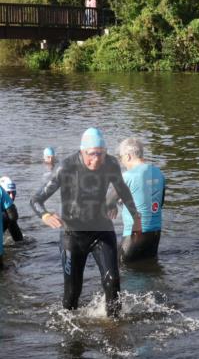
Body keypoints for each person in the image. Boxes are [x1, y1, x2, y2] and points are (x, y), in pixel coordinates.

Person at [30, 128, 142, 317]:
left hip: (101, 231)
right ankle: (70, 330)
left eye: (101, 154)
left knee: (113, 281)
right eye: (92, 154)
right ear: (82, 151)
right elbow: (36, 199)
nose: (97, 159)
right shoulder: (65, 167)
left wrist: (136, 217)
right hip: (72, 236)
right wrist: (45, 215)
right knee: (73, 293)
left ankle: (114, 326)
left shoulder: (111, 164)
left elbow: (122, 189)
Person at [108, 138, 165, 263]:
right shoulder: (159, 173)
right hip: (155, 234)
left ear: (128, 156)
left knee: (124, 272)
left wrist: (114, 205)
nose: (122, 162)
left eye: (121, 158)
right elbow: (160, 203)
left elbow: (107, 202)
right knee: (150, 272)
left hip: (134, 236)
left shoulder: (127, 177)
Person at [0, 176, 23, 243]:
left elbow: (19, 241)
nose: (11, 196)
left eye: (13, 193)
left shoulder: (9, 214)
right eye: (8, 193)